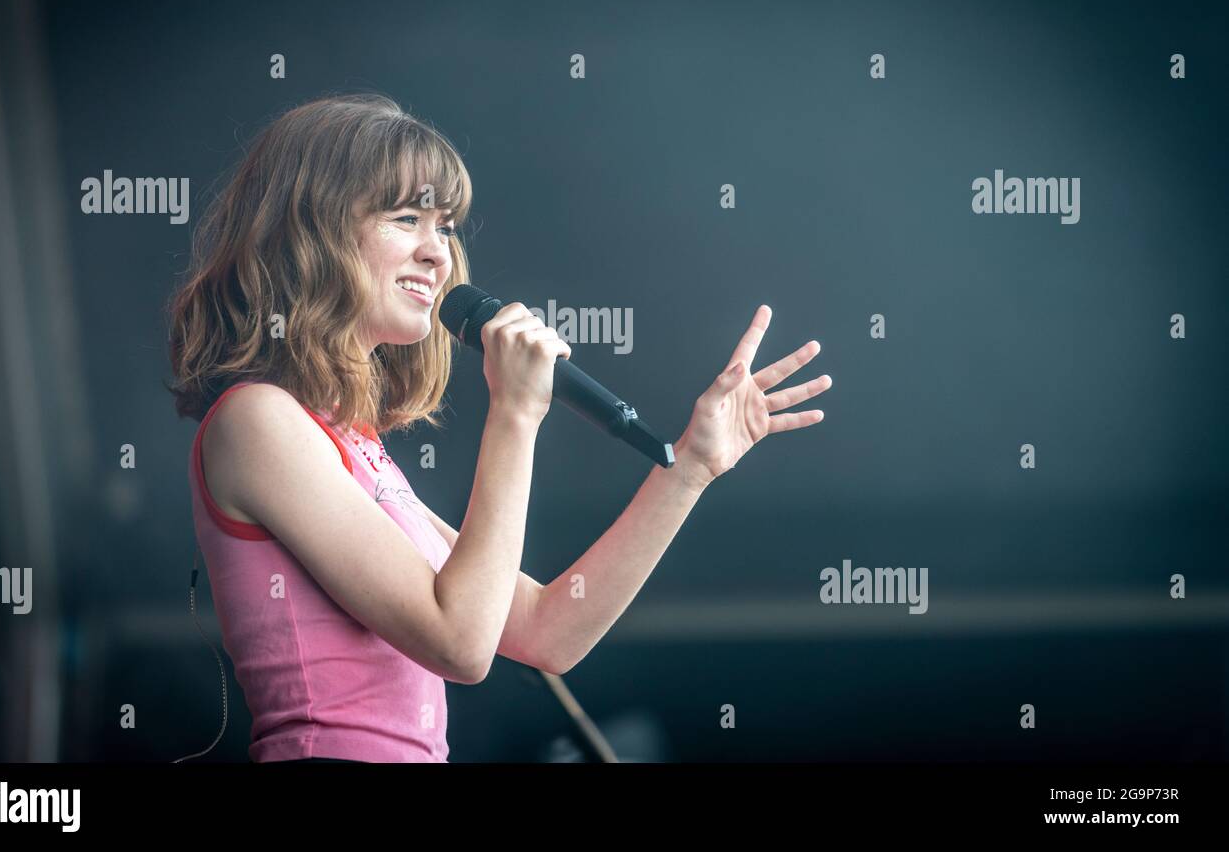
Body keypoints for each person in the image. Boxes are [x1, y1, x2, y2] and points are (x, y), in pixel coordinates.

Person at [165, 93, 833, 763]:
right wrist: (515, 414)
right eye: (406, 218)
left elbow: (548, 632)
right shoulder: (258, 419)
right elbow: (460, 642)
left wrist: (689, 466)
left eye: (446, 227)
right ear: (311, 232)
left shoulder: (351, 446)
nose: (439, 255)